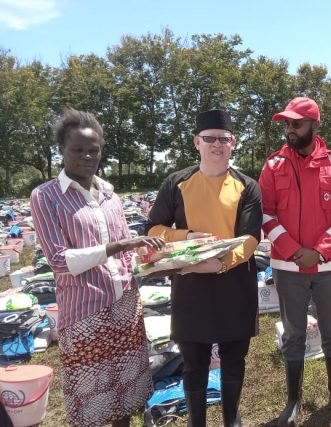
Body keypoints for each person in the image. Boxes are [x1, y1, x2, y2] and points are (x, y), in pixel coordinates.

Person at [30, 109, 165, 427]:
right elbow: (59, 261)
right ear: (62, 150)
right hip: (86, 312)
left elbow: (126, 255)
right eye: (78, 150)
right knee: (93, 394)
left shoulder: (109, 196)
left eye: (94, 149)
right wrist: (118, 247)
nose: (87, 156)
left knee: (127, 389)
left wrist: (150, 260)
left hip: (126, 305)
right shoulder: (46, 197)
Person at [146, 109, 262, 427]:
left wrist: (222, 262)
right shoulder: (177, 183)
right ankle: (197, 420)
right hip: (190, 285)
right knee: (194, 361)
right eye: (209, 138)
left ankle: (230, 418)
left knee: (234, 357)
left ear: (233, 143)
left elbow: (252, 237)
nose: (216, 145)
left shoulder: (247, 187)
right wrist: (186, 238)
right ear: (197, 142)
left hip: (234, 283)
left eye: (223, 139)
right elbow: (154, 229)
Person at [259, 97, 331, 426]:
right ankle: (292, 402)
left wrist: (319, 251)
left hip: (329, 267)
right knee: (293, 335)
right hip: (288, 269)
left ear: (314, 125)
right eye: (286, 124)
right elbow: (266, 213)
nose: (289, 130)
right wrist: (291, 249)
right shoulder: (273, 166)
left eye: (296, 124)